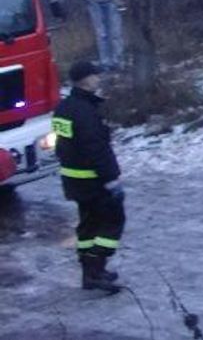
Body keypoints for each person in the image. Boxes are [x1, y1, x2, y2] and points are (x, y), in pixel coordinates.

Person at [52, 61, 125, 294]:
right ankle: (96, 270)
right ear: (85, 79)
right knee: (113, 221)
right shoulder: (85, 112)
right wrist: (111, 179)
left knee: (88, 226)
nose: (98, 79)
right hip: (94, 181)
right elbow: (96, 149)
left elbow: (63, 146)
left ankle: (90, 274)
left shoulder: (64, 108)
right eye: (95, 75)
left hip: (74, 181)